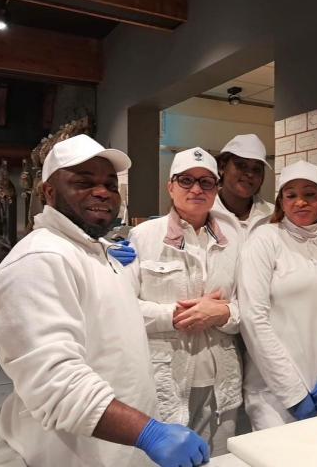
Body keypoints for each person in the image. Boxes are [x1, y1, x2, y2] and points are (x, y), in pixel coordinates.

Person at [0, 134, 209, 467]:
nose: (103, 192)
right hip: (75, 453)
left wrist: (176, 312)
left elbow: (115, 320)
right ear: (49, 192)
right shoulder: (39, 260)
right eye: (84, 182)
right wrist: (149, 433)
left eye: (110, 184)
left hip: (122, 448)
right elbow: (56, 383)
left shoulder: (98, 252)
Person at [125, 147, 242, 456]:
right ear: (170, 186)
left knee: (218, 457)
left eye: (206, 182)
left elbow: (251, 305)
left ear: (216, 189)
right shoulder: (143, 237)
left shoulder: (234, 239)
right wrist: (175, 315)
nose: (196, 189)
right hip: (166, 377)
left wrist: (224, 313)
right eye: (186, 180)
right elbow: (123, 308)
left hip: (221, 378)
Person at [237, 160, 317, 430]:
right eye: (291, 195)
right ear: (281, 202)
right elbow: (253, 318)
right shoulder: (264, 240)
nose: (300, 202)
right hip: (274, 396)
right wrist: (292, 393)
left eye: (310, 194)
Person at [212, 134, 274, 245]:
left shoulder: (273, 216)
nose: (250, 174)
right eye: (241, 165)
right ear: (222, 167)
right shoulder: (203, 214)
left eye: (257, 169)